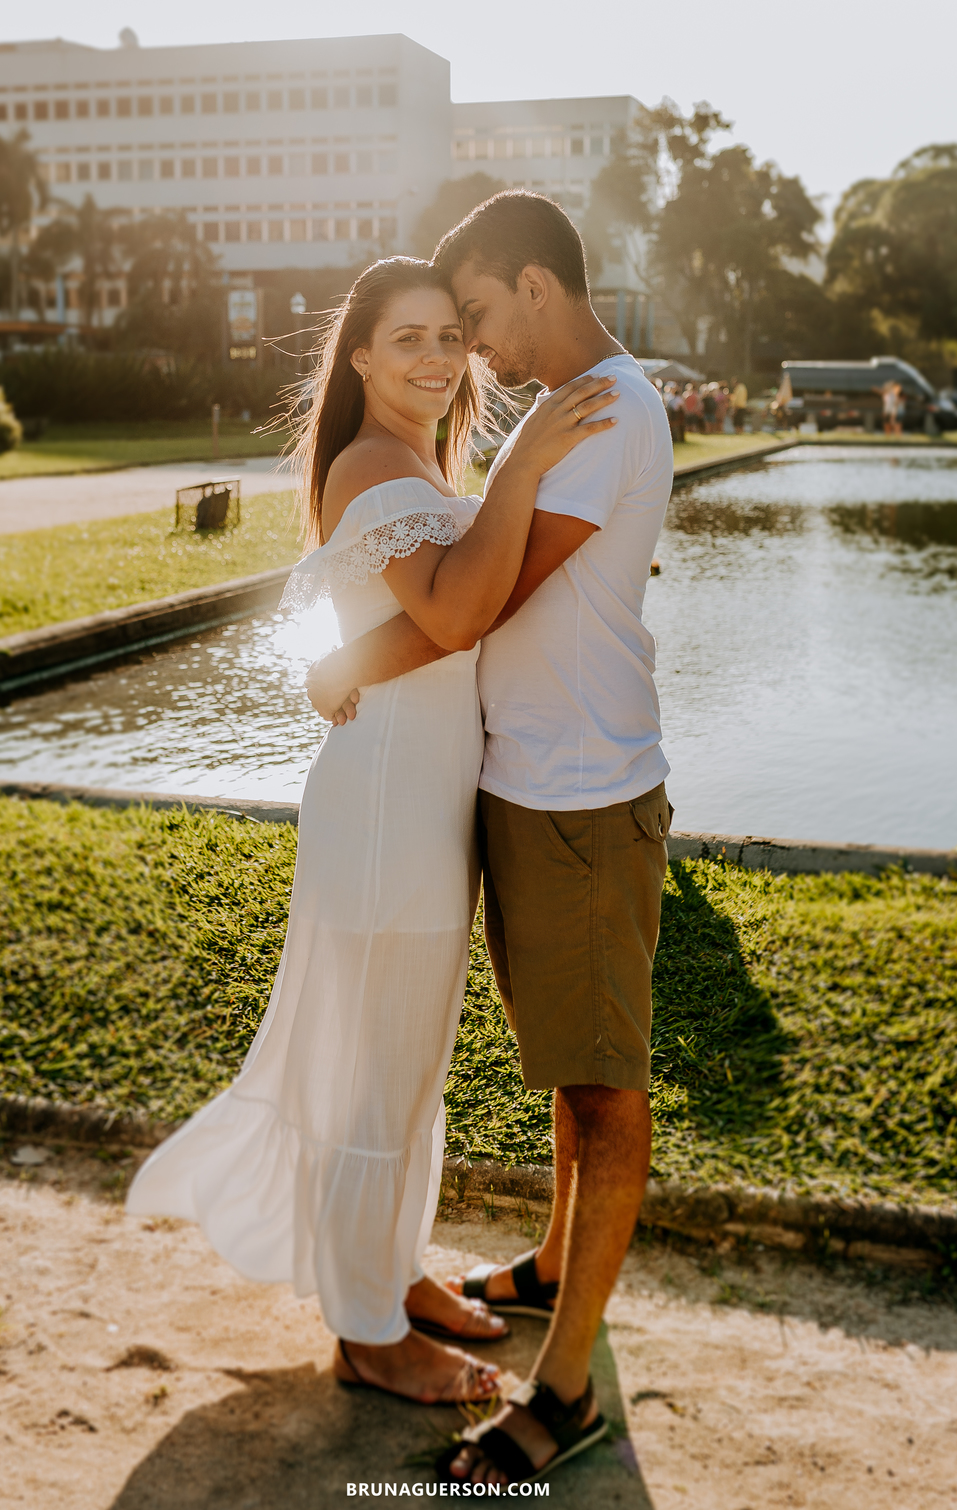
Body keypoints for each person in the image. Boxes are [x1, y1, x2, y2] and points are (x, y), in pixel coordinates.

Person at [125, 256, 617, 1408]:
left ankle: (387, 1273)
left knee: (406, 1071)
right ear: (358, 359)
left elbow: (456, 604)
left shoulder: (421, 460)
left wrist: (499, 481)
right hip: (389, 804)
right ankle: (363, 1331)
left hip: (421, 800)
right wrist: (529, 464)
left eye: (452, 334)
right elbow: (453, 613)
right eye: (409, 341)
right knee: (376, 1079)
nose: (441, 357)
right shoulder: (367, 464)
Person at [307, 193, 674, 1488]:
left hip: (581, 790)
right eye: (433, 330)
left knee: (602, 1090)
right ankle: (557, 1265)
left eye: (471, 320)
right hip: (527, 787)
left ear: (534, 283)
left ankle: (563, 1390)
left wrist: (352, 658)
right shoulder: (567, 410)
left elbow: (481, 601)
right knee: (571, 1077)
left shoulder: (602, 410)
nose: (470, 350)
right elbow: (486, 592)